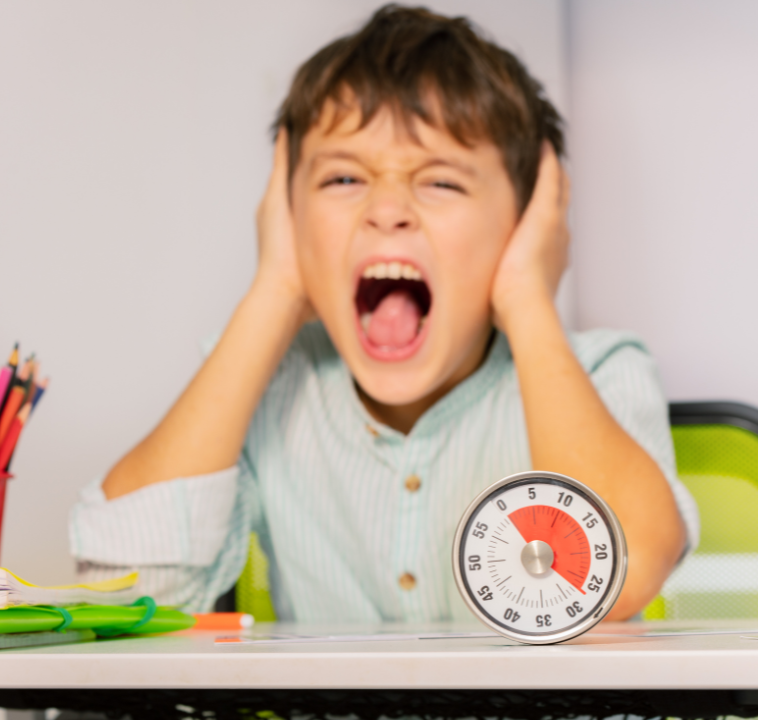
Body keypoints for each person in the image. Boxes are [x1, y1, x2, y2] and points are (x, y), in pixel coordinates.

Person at [70, 4, 698, 622]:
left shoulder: (603, 370)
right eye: (343, 180)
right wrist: (277, 289)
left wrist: (529, 300)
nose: (387, 209)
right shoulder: (267, 382)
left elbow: (620, 574)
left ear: (528, 222)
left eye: (442, 182)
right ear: (286, 215)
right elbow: (119, 594)